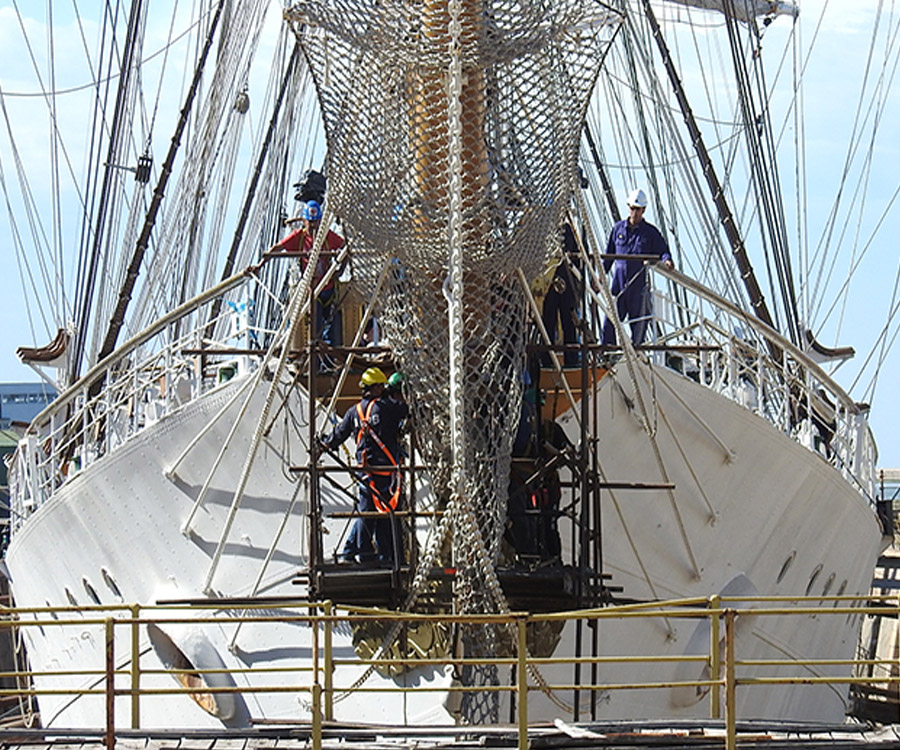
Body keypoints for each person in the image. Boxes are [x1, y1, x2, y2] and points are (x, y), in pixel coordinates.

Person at [318, 367, 409, 564]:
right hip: (386, 472)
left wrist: (324, 444)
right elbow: (407, 410)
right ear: (377, 387)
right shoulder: (387, 407)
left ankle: (355, 553)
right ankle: (380, 557)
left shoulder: (354, 412)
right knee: (385, 516)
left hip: (366, 473)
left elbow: (339, 434)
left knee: (367, 512)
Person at [601, 188, 674, 347]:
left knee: (640, 325)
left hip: (638, 288)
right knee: (609, 322)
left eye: (638, 209)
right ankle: (608, 353)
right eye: (632, 208)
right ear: (628, 207)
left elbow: (662, 250)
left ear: (644, 210)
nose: (635, 212)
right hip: (618, 286)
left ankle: (636, 354)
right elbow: (609, 256)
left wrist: (667, 260)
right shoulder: (617, 229)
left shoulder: (650, 233)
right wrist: (600, 276)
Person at [270, 200, 345, 347]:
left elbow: (345, 248)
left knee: (334, 327)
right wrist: (260, 265)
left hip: (329, 289)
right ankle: (316, 362)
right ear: (304, 221)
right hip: (312, 291)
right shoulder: (300, 237)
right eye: (310, 222)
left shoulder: (327, 236)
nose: (314, 226)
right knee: (315, 326)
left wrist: (340, 271)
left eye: (316, 222)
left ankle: (333, 364)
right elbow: (278, 247)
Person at [541, 223, 582, 368]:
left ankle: (571, 360)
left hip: (566, 281)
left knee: (568, 321)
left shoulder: (569, 230)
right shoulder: (542, 228)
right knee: (548, 321)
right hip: (547, 282)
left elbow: (577, 258)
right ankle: (547, 360)